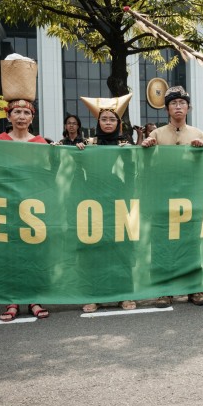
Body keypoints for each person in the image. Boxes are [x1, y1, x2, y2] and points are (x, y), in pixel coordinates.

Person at [142, 86, 203, 307]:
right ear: (167, 108)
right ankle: (165, 289)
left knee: (191, 242)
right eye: (173, 103)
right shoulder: (157, 134)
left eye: (182, 103)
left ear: (188, 107)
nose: (178, 107)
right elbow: (144, 165)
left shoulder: (199, 134)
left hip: (190, 195)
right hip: (163, 195)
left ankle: (194, 289)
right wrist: (146, 147)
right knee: (162, 243)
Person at [77, 94, 137, 312]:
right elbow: (76, 169)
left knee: (121, 248)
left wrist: (130, 155)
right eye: (105, 120)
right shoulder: (88, 143)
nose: (108, 123)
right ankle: (94, 295)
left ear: (118, 122)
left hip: (119, 200)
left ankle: (124, 294)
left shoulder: (126, 143)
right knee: (95, 250)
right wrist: (77, 154)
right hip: (92, 201)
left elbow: (133, 171)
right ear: (98, 122)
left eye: (112, 119)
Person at [0, 98, 50, 321]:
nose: (21, 117)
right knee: (10, 253)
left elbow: (46, 174)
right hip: (6, 203)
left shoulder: (40, 142)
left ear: (32, 118)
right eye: (16, 112)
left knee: (33, 252)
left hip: (33, 205)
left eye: (26, 113)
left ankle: (34, 297)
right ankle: (12, 299)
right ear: (9, 116)